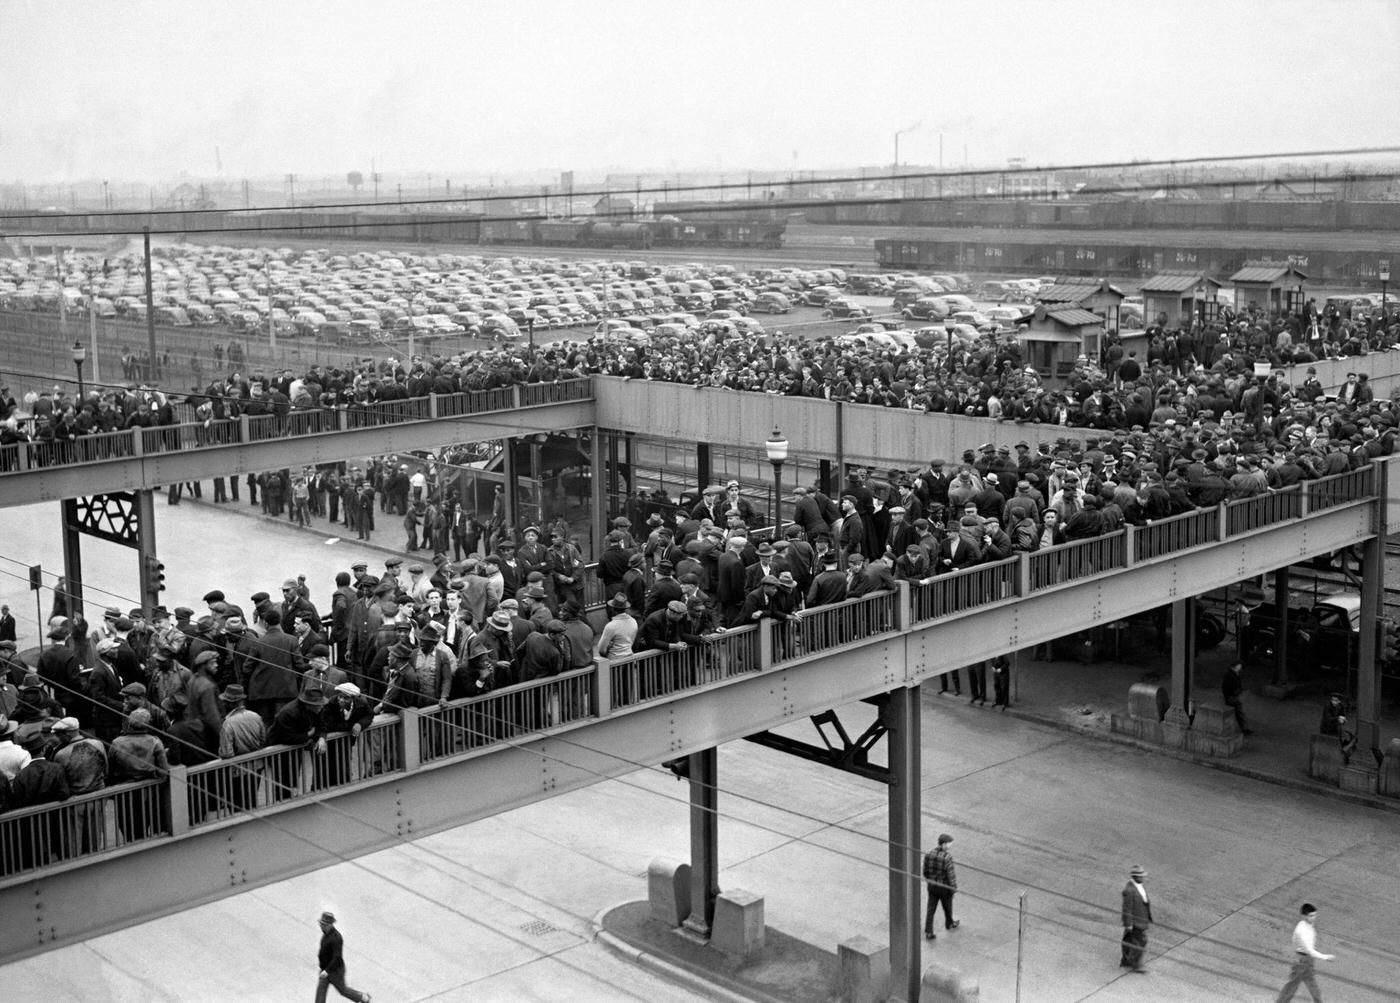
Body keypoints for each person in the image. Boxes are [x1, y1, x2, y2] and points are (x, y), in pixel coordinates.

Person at [1275, 902, 1335, 1002]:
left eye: (1315, 915)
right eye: (1311, 916)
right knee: (1292, 986)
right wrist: (1326, 957)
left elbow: (1294, 940)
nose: (1314, 918)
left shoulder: (1306, 925)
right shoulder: (1301, 930)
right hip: (1302, 962)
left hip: (1307, 961)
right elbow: (1309, 950)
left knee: (1311, 985)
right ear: (1303, 916)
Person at [315, 911, 371, 1003]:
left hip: (335, 971)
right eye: (321, 924)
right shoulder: (326, 934)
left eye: (323, 924)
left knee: (343, 991)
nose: (321, 926)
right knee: (320, 994)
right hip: (325, 970)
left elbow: (337, 958)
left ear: (330, 925)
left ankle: (363, 997)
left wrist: (327, 971)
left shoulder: (336, 938)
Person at [922, 832, 959, 940]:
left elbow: (925, 872)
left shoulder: (929, 854)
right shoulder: (947, 857)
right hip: (944, 887)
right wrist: (953, 889)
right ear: (943, 844)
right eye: (949, 844)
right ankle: (949, 923)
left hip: (932, 886)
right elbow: (950, 875)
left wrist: (931, 880)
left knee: (931, 909)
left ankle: (929, 931)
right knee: (947, 906)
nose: (950, 846)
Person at [1120, 864, 1152, 973]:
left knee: (1129, 940)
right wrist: (1128, 924)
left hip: (1141, 919)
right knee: (1141, 942)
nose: (1143, 878)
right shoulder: (1129, 890)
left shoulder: (1139, 886)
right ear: (1135, 877)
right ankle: (1135, 964)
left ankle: (1126, 961)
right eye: (1141, 876)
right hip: (1135, 922)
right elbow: (1127, 909)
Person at [1221, 661, 1252, 735]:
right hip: (1232, 696)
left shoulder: (1235, 674)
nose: (1240, 667)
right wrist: (1230, 695)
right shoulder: (1230, 675)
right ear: (1235, 666)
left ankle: (1243, 728)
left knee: (1236, 711)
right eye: (1239, 665)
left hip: (1233, 696)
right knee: (1238, 711)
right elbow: (1226, 687)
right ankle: (1244, 728)